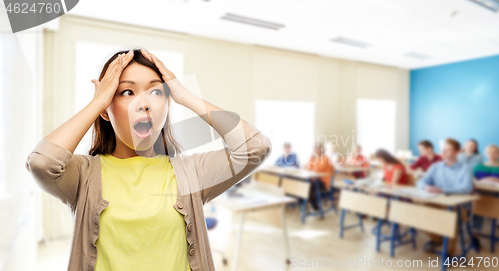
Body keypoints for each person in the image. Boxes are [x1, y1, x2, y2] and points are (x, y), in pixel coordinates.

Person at [25, 48, 271, 271]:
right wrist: (98, 102)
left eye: (156, 91)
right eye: (127, 91)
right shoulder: (84, 175)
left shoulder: (192, 172)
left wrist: (185, 96)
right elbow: (42, 163)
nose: (143, 104)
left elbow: (256, 147)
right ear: (106, 110)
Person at [417, 138, 473, 255]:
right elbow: (421, 181)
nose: (443, 153)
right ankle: (439, 239)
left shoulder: (465, 168)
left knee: (451, 218)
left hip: (458, 206)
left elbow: (467, 188)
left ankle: (448, 252)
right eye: (443, 150)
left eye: (447, 150)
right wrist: (425, 187)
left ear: (457, 152)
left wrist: (442, 190)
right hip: (437, 201)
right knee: (418, 212)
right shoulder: (435, 166)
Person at [470, 144, 499, 246]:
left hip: (498, 196)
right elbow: (473, 180)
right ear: (485, 154)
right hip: (482, 195)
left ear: (498, 154)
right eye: (489, 153)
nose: (492, 155)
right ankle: (475, 234)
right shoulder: (478, 166)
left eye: (494, 152)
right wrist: (484, 180)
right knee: (478, 207)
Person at [307, 142, 334, 210]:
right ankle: (304, 202)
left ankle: (315, 205)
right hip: (314, 180)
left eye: (317, 148)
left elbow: (318, 170)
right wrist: (312, 159)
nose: (316, 149)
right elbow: (309, 169)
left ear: (322, 149)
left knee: (309, 186)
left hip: (324, 182)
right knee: (302, 183)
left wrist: (314, 162)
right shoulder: (312, 158)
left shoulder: (326, 158)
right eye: (314, 148)